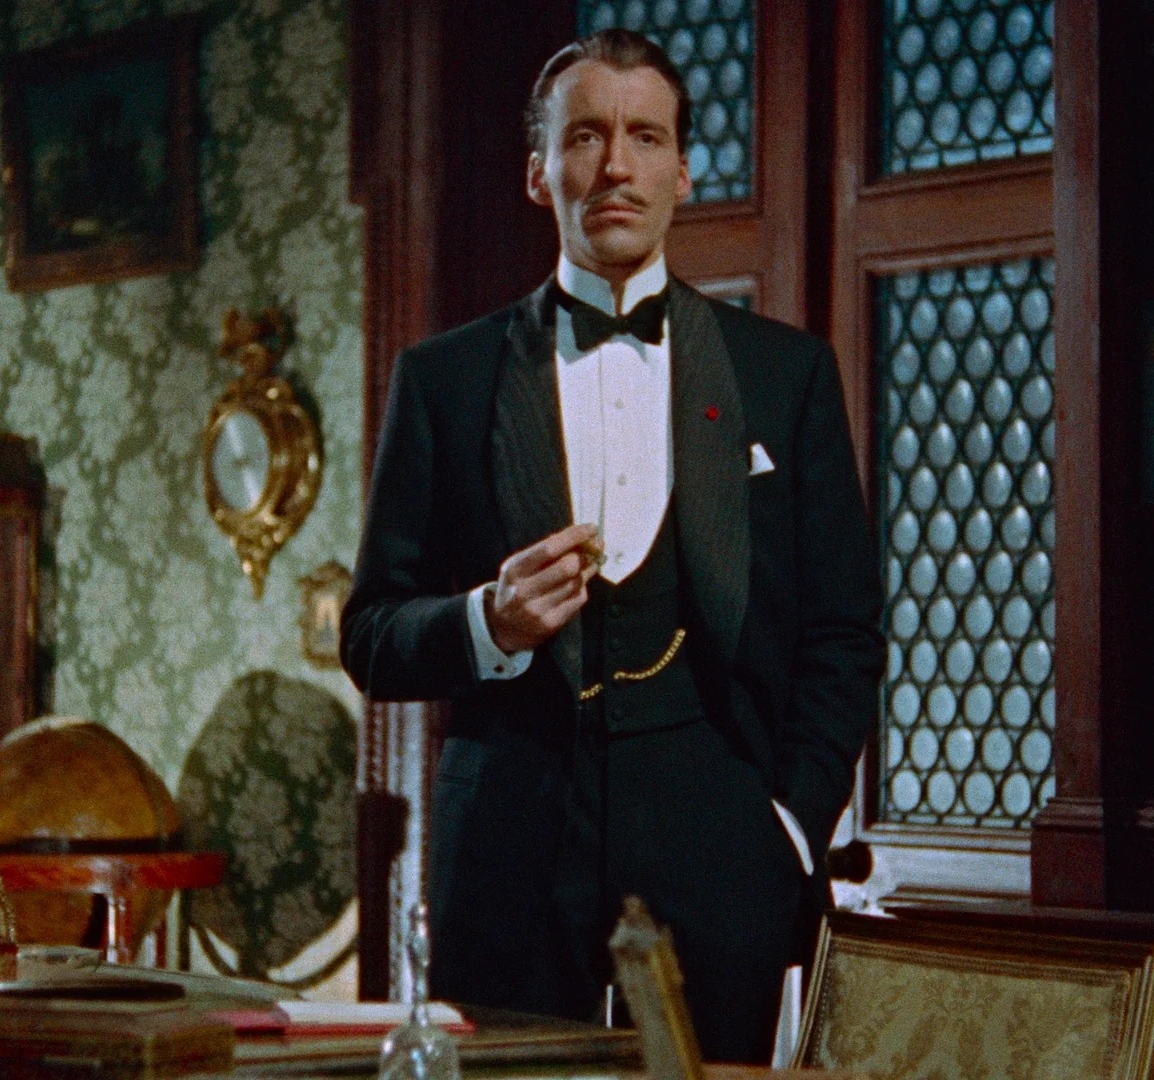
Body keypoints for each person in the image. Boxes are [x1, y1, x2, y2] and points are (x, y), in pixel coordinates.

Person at [340, 28, 883, 1064]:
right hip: (506, 843)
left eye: (646, 136)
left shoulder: (787, 377)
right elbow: (370, 633)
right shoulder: (443, 381)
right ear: (540, 173)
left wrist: (789, 823)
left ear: (684, 171)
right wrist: (484, 622)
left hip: (724, 847)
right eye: (586, 136)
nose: (617, 165)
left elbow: (844, 629)